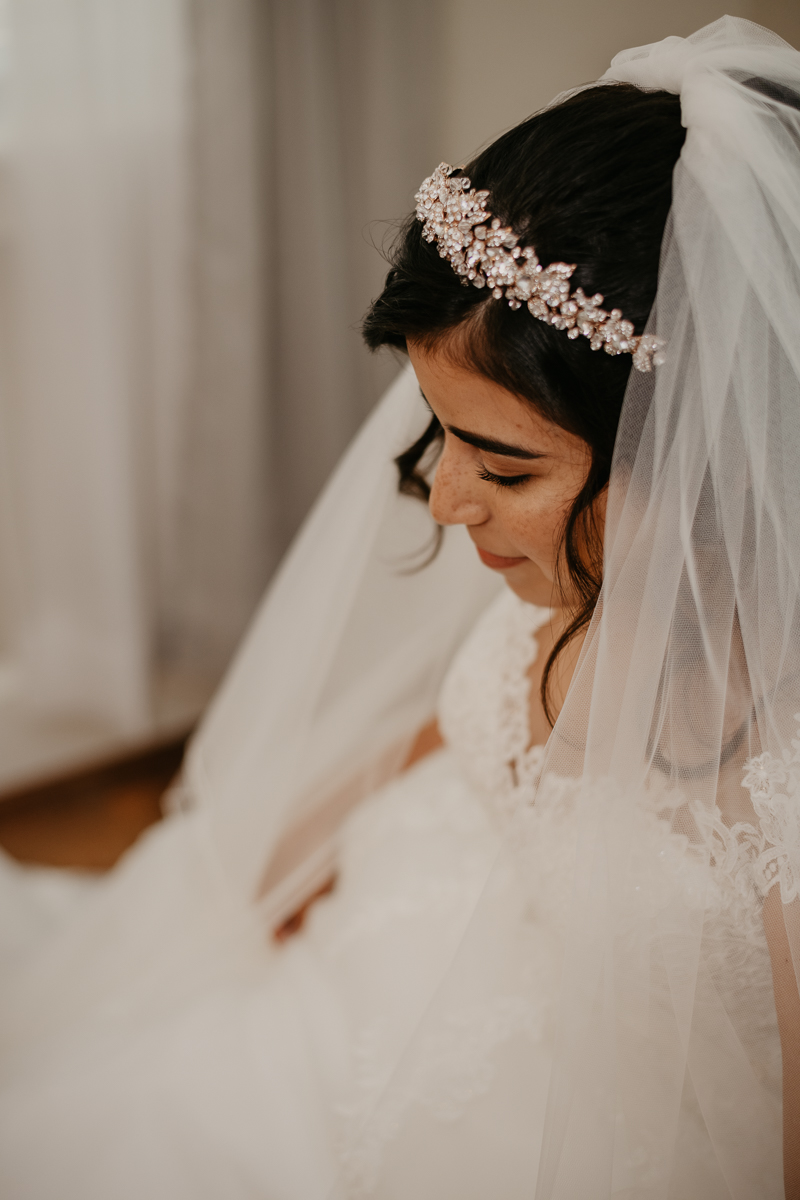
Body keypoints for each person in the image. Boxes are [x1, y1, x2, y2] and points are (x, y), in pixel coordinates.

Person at [0, 14, 798, 1199]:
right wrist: (302, 847)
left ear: (704, 462)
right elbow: (460, 725)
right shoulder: (568, 573)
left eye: (508, 467)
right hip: (390, 951)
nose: (444, 502)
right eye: (436, 435)